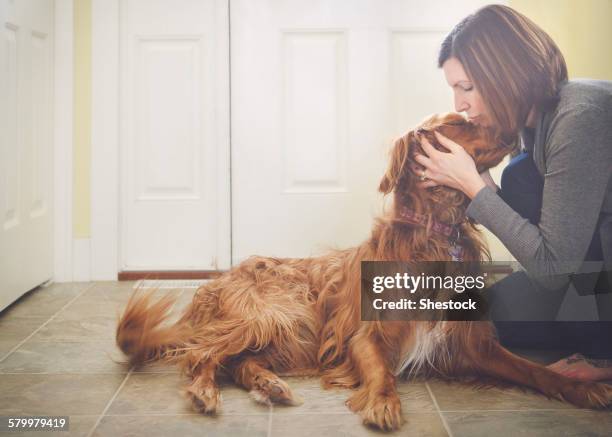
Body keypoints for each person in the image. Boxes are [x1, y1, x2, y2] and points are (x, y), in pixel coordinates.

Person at [413, 5, 612, 381]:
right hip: (580, 275)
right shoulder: (532, 125)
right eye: (455, 90)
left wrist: (472, 185)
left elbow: (553, 269)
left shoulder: (579, 118)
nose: (460, 105)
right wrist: (481, 183)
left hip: (587, 275)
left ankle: (604, 355)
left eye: (467, 88)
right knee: (466, 315)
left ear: (508, 75)